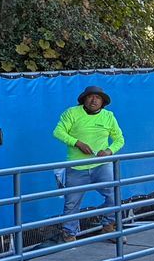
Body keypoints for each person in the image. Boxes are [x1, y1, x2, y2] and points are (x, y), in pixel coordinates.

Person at [53, 85, 124, 239]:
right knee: (71, 203)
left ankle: (108, 225)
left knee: (114, 195)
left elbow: (119, 140)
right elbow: (58, 132)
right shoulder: (71, 113)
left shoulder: (109, 116)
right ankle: (69, 234)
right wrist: (77, 143)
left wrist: (108, 151)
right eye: (90, 96)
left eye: (98, 97)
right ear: (84, 99)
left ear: (103, 102)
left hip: (101, 165)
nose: (94, 100)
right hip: (76, 166)